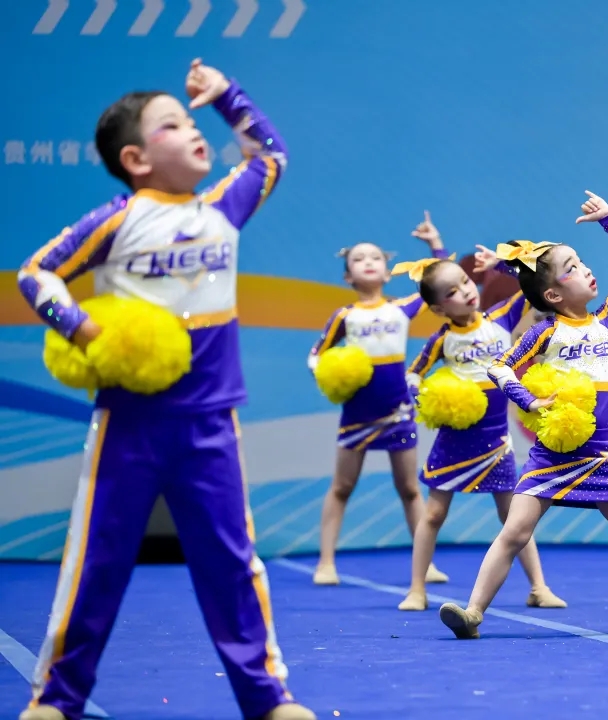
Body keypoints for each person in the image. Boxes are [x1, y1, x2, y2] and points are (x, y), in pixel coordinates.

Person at [15, 59, 313, 720]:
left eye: (190, 121)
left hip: (211, 423)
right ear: (136, 159)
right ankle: (56, 699)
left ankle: (268, 699)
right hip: (129, 424)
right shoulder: (116, 221)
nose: (193, 130)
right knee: (96, 563)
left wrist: (227, 96)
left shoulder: (223, 209)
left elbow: (271, 155)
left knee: (232, 564)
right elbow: (37, 274)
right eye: (172, 125)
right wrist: (83, 329)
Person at [438, 191, 608, 639]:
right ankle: (473, 613)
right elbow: (499, 368)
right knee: (514, 531)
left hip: (602, 458)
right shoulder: (545, 333)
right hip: (552, 456)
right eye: (572, 268)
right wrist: (528, 400)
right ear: (554, 293)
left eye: (581, 262)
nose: (585, 269)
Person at [394, 248, 566, 611]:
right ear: (438, 309)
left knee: (514, 516)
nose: (465, 291)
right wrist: (424, 397)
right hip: (455, 439)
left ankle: (539, 587)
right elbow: (413, 373)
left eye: (465, 281)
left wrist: (500, 265)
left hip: (495, 439)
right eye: (452, 292)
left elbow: (532, 284)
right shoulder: (442, 339)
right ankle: (417, 589)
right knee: (433, 515)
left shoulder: (502, 315)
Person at [307, 212, 450, 586]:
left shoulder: (401, 309)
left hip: (398, 412)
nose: (368, 262)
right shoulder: (344, 315)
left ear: (388, 273)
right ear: (348, 277)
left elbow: (441, 282)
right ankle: (326, 563)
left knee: (409, 489)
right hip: (357, 412)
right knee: (342, 487)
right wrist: (327, 374)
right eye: (358, 259)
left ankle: (426, 564)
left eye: (375, 258)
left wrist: (435, 245)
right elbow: (316, 355)